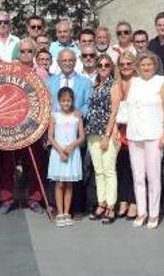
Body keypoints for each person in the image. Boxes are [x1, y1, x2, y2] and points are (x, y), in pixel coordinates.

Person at [0, 39, 48, 214]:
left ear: (34, 53)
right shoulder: (11, 70)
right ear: (18, 53)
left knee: (36, 164)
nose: (26, 54)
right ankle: (7, 199)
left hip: (33, 126)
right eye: (23, 51)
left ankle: (35, 199)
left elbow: (45, 99)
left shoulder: (41, 72)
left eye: (29, 51)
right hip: (12, 126)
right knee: (8, 164)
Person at [125, 52, 164, 229]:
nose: (146, 67)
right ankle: (141, 212)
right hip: (134, 135)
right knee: (138, 176)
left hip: (154, 135)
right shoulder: (133, 82)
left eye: (149, 64)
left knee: (153, 177)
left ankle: (153, 213)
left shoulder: (162, 82)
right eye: (142, 64)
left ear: (155, 65)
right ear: (138, 66)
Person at [45, 49, 92, 216]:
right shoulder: (49, 82)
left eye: (70, 60)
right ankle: (57, 207)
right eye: (64, 60)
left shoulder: (85, 82)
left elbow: (89, 103)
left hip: (74, 131)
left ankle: (76, 207)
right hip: (56, 132)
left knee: (75, 172)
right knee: (57, 173)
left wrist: (81, 112)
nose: (67, 63)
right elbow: (45, 103)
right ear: (58, 62)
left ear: (75, 61)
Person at [85, 54, 118, 224]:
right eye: (100, 65)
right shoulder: (95, 84)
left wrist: (107, 135)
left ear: (111, 67)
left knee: (109, 169)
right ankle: (101, 203)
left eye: (107, 65)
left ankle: (111, 206)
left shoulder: (114, 85)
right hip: (93, 131)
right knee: (98, 170)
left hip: (107, 133)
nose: (103, 67)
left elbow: (113, 112)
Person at [48, 87, 86, 228]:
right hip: (58, 153)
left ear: (72, 101)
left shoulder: (77, 117)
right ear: (59, 101)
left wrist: (71, 147)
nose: (66, 103)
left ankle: (66, 212)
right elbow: (50, 137)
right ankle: (60, 213)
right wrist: (60, 150)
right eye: (63, 100)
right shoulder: (54, 116)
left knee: (69, 183)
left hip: (72, 152)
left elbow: (82, 136)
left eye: (69, 100)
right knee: (59, 183)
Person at [112, 51, 137, 219]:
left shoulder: (140, 83)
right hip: (121, 131)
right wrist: (114, 130)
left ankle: (134, 202)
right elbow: (113, 111)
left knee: (136, 168)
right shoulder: (116, 85)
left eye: (129, 64)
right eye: (122, 64)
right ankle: (123, 201)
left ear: (134, 65)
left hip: (138, 130)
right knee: (122, 167)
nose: (126, 67)